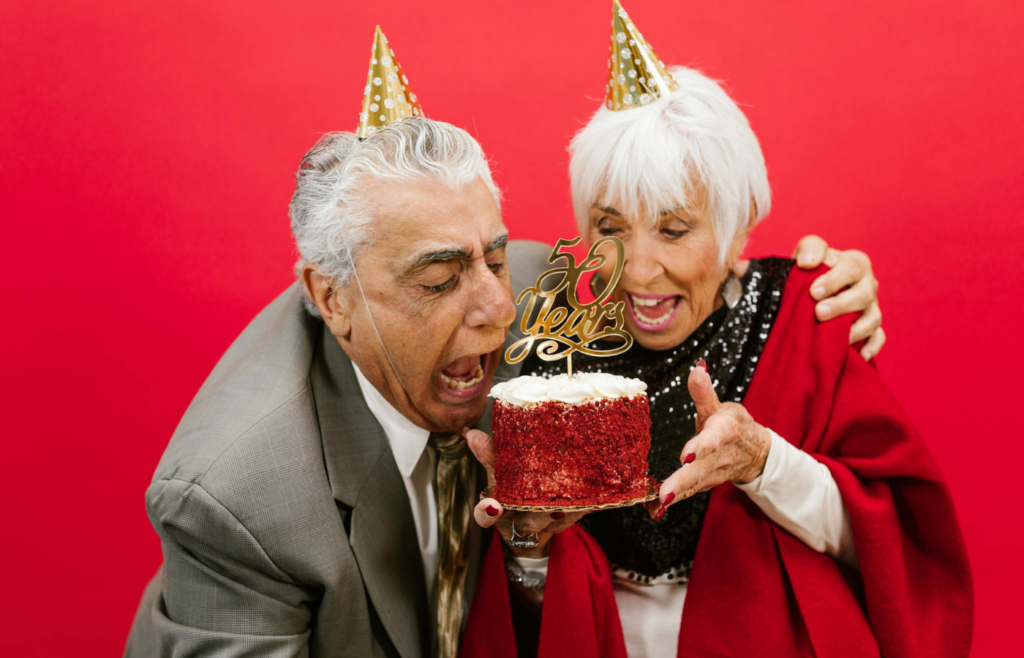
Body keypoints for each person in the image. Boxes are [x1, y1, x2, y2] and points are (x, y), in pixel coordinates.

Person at [124, 27, 885, 658]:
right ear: (332, 297)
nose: (496, 309)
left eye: (492, 256)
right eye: (439, 278)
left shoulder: (555, 293)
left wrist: (826, 284)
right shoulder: (236, 497)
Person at [463, 5, 972, 658]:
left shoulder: (806, 316)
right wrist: (528, 546)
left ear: (738, 231)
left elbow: (889, 544)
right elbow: (526, 608)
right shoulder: (550, 344)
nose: (639, 269)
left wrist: (764, 463)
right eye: (610, 228)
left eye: (674, 230)